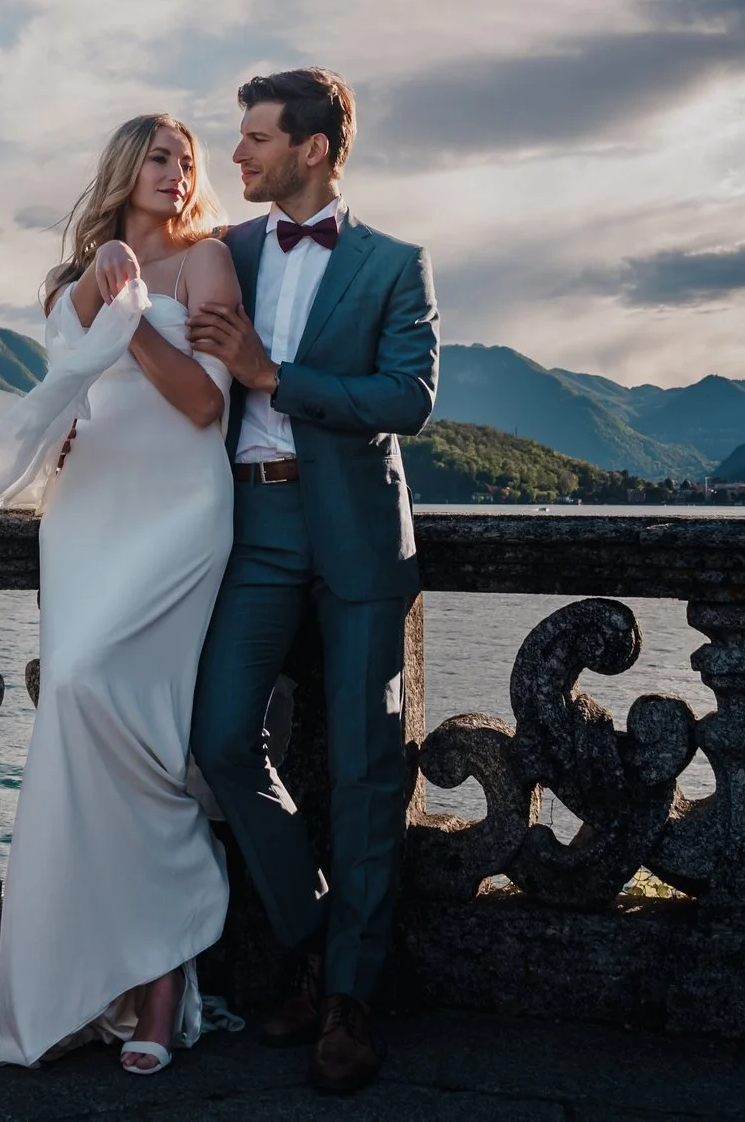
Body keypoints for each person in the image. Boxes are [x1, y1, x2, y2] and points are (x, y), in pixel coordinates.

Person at [0, 112, 242, 1074]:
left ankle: (168, 972)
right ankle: (121, 978)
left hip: (178, 511)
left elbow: (206, 402)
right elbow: (66, 398)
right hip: (88, 515)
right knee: (79, 727)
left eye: (187, 160)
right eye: (159, 157)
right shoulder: (69, 279)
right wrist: (92, 320)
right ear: (125, 170)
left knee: (112, 703)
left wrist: (127, 325)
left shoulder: (207, 266)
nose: (176, 172)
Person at [186, 67, 438, 1096]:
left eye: (253, 138)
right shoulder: (225, 251)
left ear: (314, 147)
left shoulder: (393, 262)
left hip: (357, 532)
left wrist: (274, 376)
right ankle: (315, 930)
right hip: (250, 523)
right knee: (219, 738)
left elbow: (409, 398)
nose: (234, 155)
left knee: (365, 761)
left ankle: (347, 997)